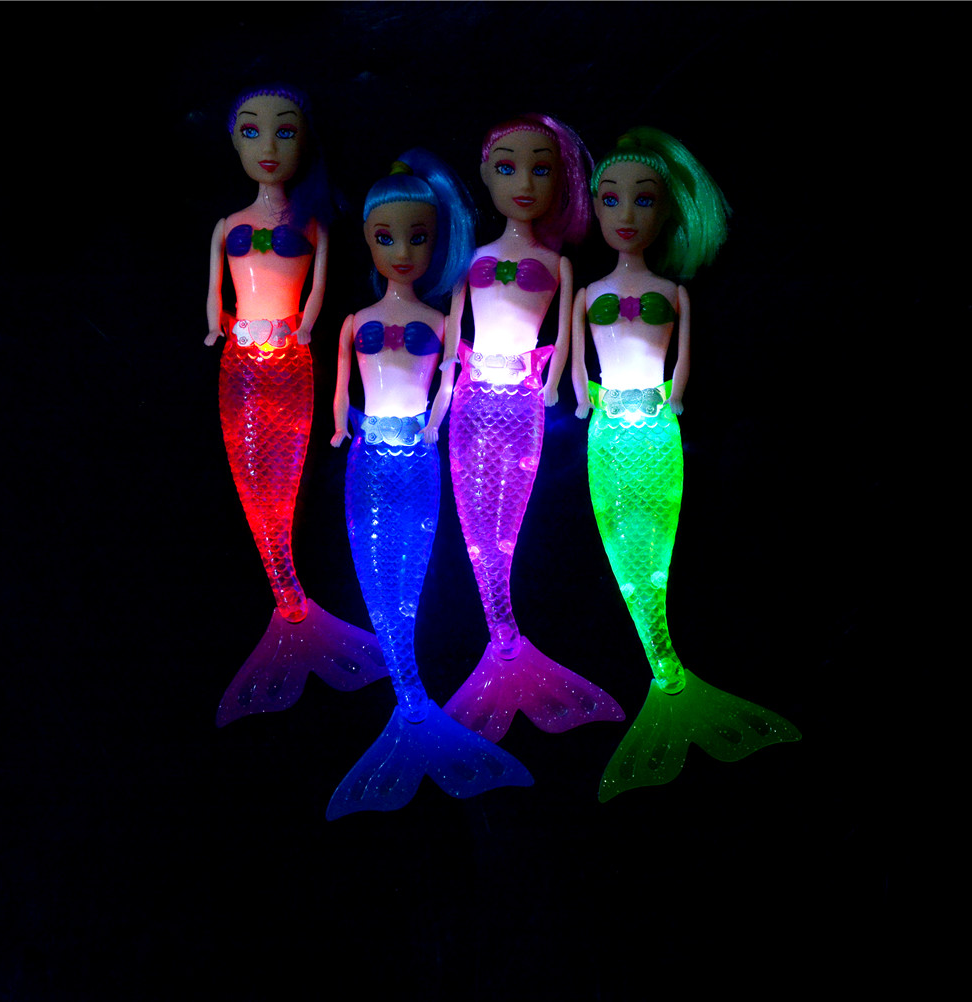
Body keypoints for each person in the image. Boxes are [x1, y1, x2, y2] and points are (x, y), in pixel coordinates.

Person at [572, 127, 799, 797]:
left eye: (643, 200)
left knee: (655, 553)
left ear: (667, 212)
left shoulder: (675, 293)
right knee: (623, 550)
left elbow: (685, 363)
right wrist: (584, 398)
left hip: (657, 431)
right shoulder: (585, 294)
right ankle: (665, 674)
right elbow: (580, 364)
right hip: (608, 433)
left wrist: (672, 402)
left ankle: (669, 678)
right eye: (610, 199)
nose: (626, 214)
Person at [327, 151, 531, 819]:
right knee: (376, 574)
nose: (402, 251)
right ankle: (411, 703)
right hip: (367, 457)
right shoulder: (354, 322)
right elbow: (341, 389)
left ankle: (413, 705)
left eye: (418, 237)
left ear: (437, 242)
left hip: (417, 456)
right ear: (366, 240)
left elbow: (449, 381)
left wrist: (438, 425)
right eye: (386, 237)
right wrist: (338, 426)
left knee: (411, 576)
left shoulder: (445, 324)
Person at [443, 114, 624, 743]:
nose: (523, 182)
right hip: (471, 397)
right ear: (485, 175)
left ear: (562, 181)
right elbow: (454, 333)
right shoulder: (473, 259)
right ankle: (503, 639)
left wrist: (556, 387)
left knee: (507, 520)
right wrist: (444, 393)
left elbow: (567, 335)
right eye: (507, 167)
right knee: (475, 522)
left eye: (541, 169)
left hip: (523, 397)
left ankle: (506, 641)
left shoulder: (560, 264)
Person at [209, 84, 384, 728]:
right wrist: (215, 323)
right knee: (251, 476)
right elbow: (215, 291)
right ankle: (289, 600)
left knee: (283, 476)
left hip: (290, 360)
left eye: (284, 130)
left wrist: (306, 326)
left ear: (305, 143)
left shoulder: (314, 223)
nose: (268, 145)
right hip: (240, 362)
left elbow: (317, 292)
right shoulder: (227, 225)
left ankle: (295, 604)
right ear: (233, 143)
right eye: (251, 131)